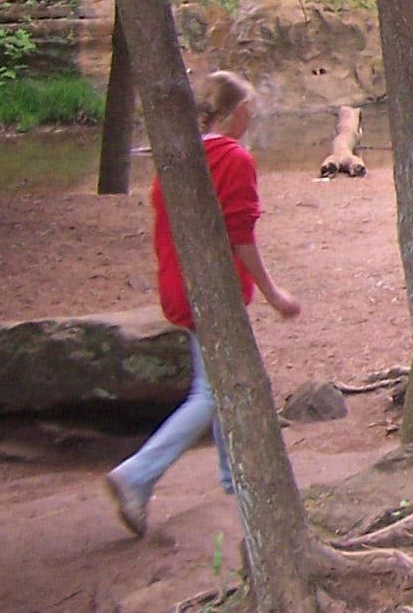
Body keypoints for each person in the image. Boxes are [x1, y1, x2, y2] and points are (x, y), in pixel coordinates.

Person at [103, 71, 301, 538]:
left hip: (180, 285)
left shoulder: (182, 156)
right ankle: (136, 475)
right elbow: (241, 235)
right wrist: (274, 294)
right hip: (211, 293)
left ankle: (233, 482)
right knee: (210, 393)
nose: (252, 117)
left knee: (218, 382)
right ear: (237, 111)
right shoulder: (233, 159)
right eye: (249, 108)